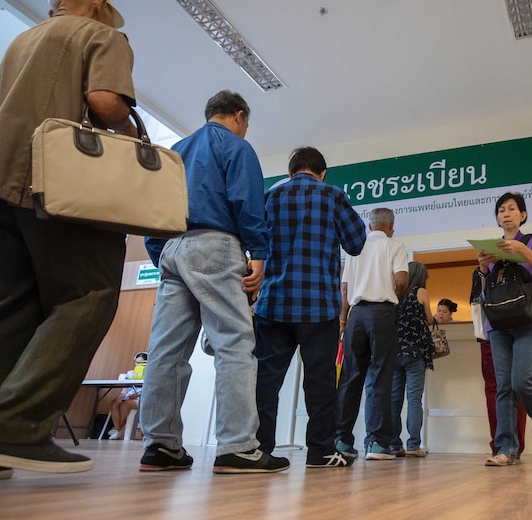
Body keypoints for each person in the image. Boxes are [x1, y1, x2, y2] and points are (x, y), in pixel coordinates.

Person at [0, 0, 136, 484]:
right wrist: (130, 127)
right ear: (93, 4)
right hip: (63, 189)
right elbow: (107, 104)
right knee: (88, 294)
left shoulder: (19, 43)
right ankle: (15, 425)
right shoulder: (102, 36)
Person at [138, 90, 289, 475]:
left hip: (171, 247)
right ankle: (237, 446)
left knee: (166, 350)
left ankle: (160, 445)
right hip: (217, 244)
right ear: (238, 116)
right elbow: (247, 203)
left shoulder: (174, 152)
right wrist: (258, 254)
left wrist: (162, 256)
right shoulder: (236, 147)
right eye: (246, 123)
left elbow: (152, 210)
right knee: (235, 344)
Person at [253, 146, 367, 469]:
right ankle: (319, 450)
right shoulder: (333, 195)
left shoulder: (270, 197)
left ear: (290, 172)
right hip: (319, 306)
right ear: (322, 172)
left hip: (273, 303)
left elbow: (254, 241)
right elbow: (357, 243)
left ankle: (259, 448)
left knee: (266, 379)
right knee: (320, 381)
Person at [478, 192, 532, 466]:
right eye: (501, 210)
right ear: (497, 218)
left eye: (511, 209)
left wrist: (520, 250)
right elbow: (487, 292)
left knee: (522, 380)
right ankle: (506, 449)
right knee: (504, 387)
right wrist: (484, 269)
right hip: (498, 323)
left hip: (527, 319)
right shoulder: (493, 248)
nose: (506, 213)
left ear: (522, 215)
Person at [336, 207, 408, 460]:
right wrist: (392, 298)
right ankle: (377, 444)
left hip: (356, 315)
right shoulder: (394, 246)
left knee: (350, 378)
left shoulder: (354, 248)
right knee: (380, 377)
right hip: (382, 314)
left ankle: (342, 440)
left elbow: (344, 289)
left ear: (369, 227)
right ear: (391, 226)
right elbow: (401, 280)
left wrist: (343, 320)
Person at [470, 272, 527, 457]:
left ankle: (501, 445)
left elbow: (476, 304)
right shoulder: (521, 267)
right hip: (520, 330)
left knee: (495, 389)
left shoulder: (481, 272)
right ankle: (516, 445)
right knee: (518, 387)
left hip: (491, 334)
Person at [389, 261, 434, 458]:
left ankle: (393, 444)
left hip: (395, 351)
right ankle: (413, 445)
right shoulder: (421, 292)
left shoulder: (395, 293)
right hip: (415, 353)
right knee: (414, 399)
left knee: (394, 400)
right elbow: (430, 319)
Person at [107, 352, 147, 440]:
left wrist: (137, 394)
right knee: (115, 402)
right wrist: (121, 396)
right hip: (129, 397)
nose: (138, 365)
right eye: (137, 362)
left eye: (142, 363)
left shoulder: (150, 374)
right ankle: (119, 429)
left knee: (125, 405)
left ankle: (117, 430)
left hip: (141, 398)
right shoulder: (130, 373)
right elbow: (124, 390)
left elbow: (149, 390)